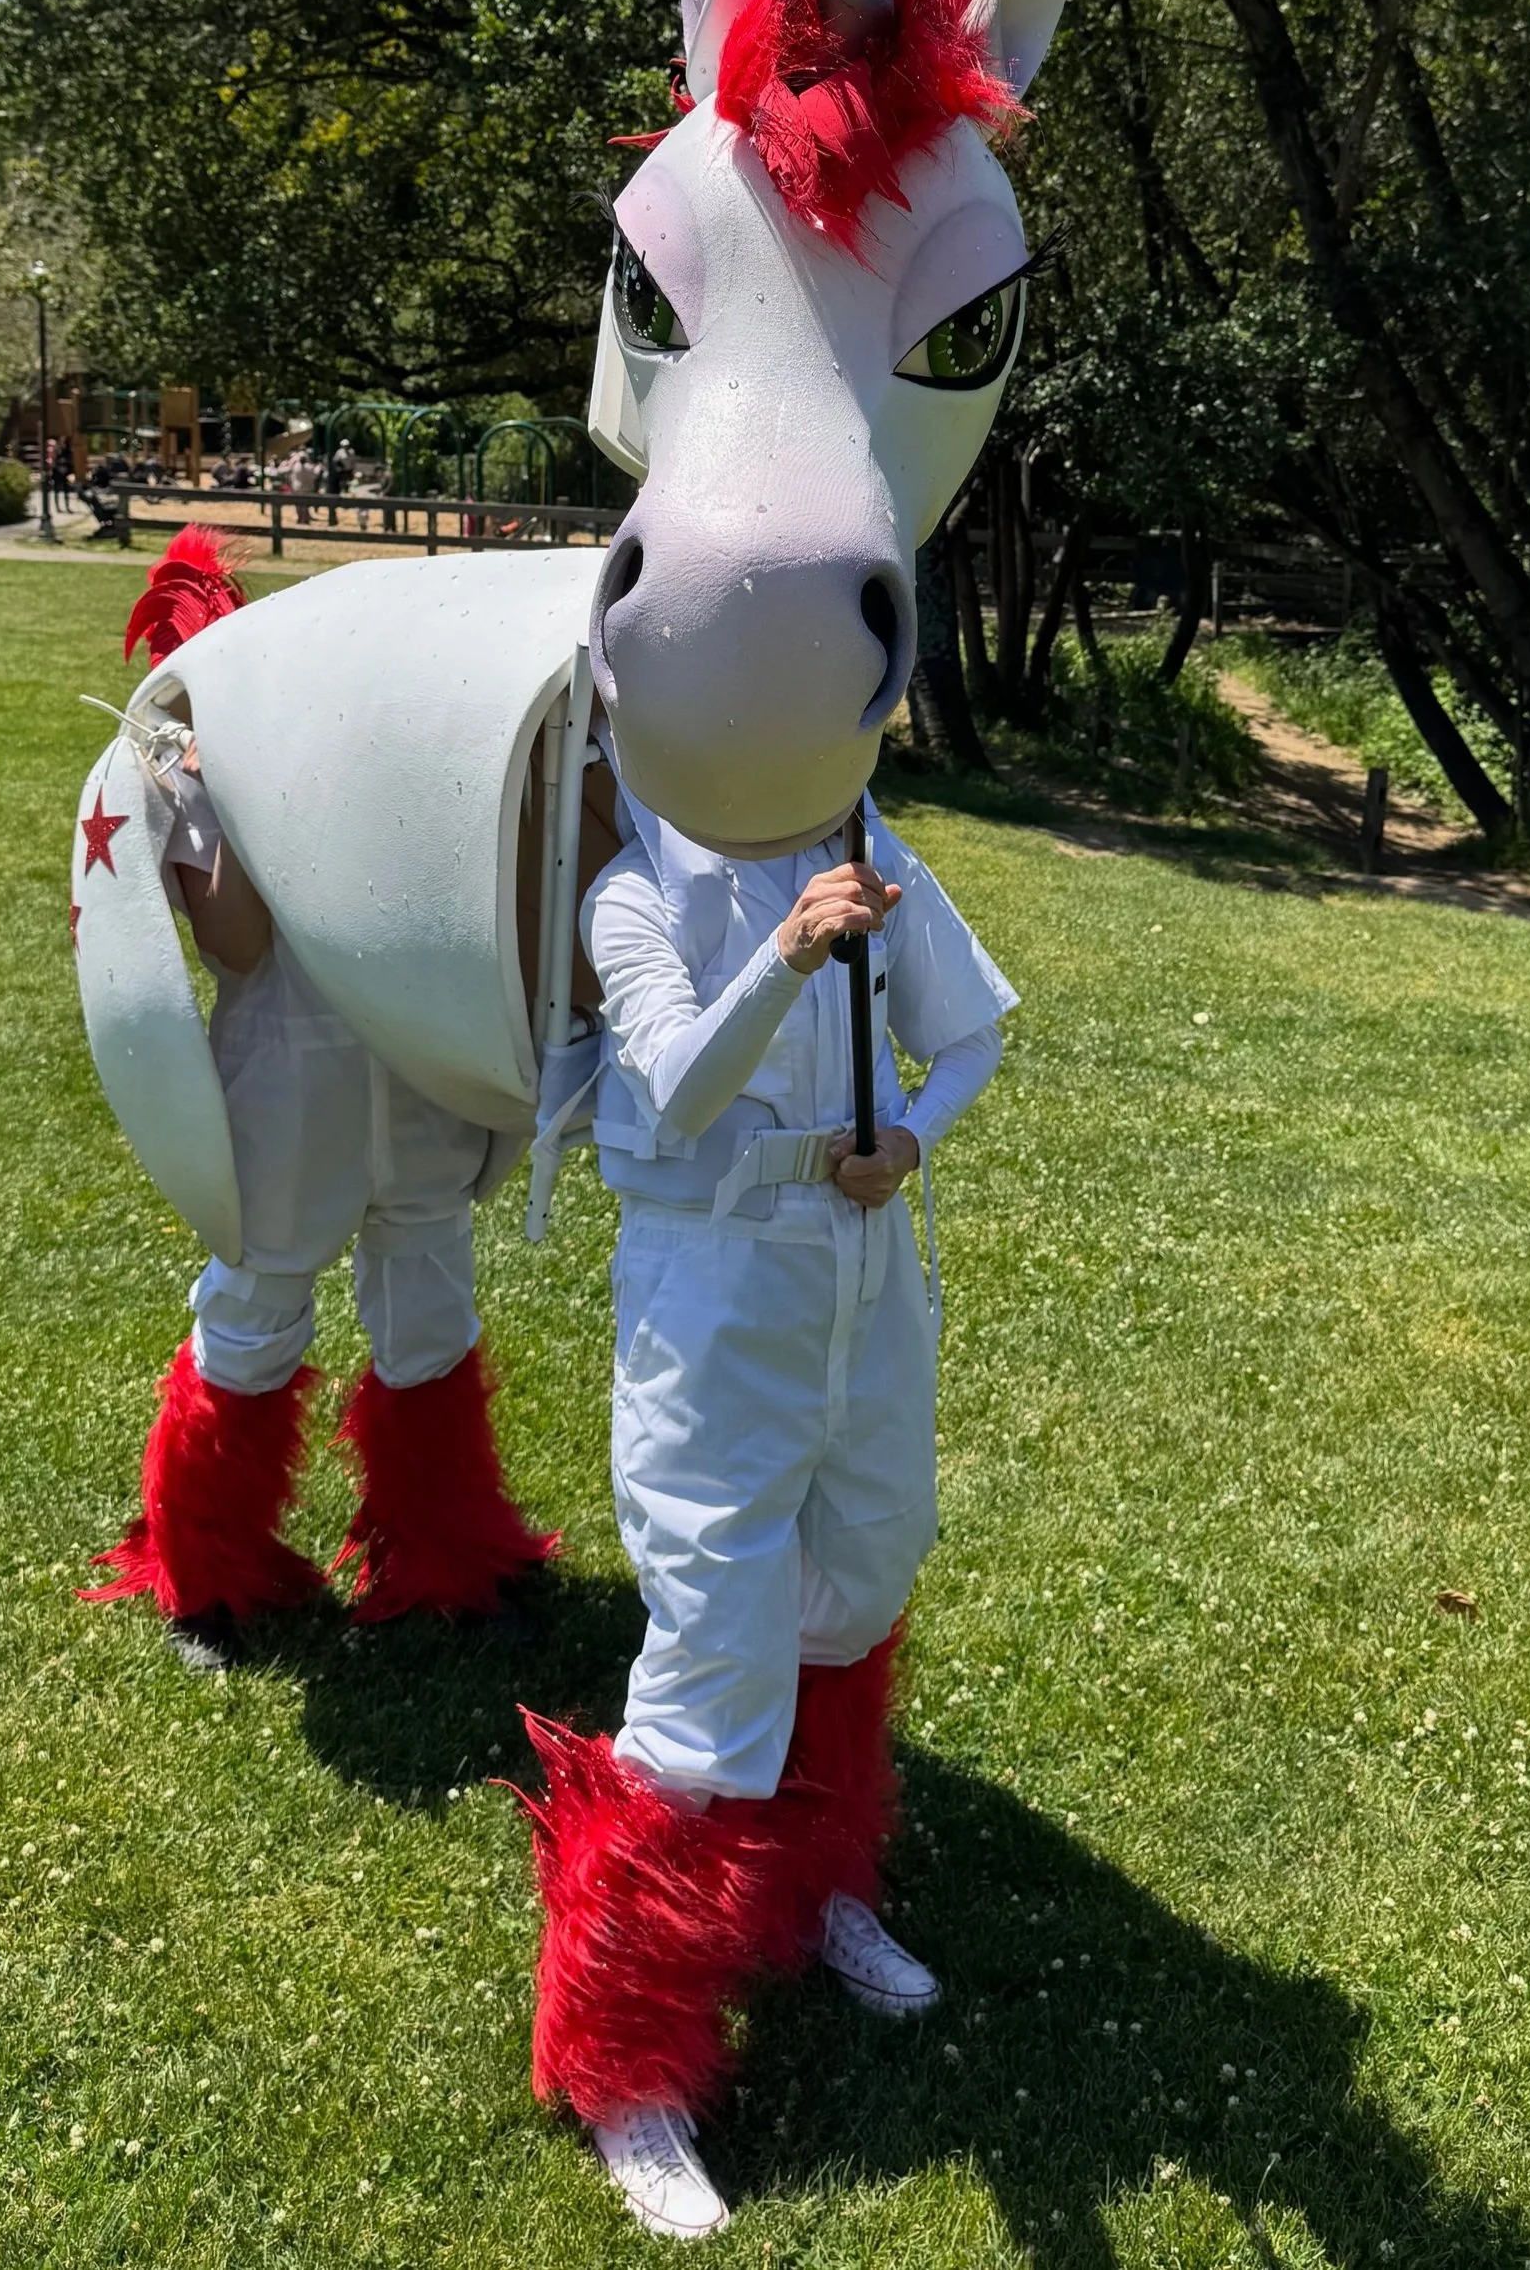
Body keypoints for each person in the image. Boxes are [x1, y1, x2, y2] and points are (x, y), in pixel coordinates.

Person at [514, 780, 1013, 2239]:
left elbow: (971, 1022)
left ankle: (809, 1886)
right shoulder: (631, 889)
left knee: (863, 1566)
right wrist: (790, 949)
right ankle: (625, 2058)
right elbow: (673, 1076)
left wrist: (913, 1133)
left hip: (863, 1257)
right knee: (716, 1624)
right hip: (712, 1277)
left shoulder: (860, 848)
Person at [84, 529, 557, 1658]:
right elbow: (239, 941)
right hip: (291, 1081)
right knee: (253, 1307)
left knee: (430, 1304)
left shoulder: (400, 747)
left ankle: (444, 1549)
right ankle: (207, 1566)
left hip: (417, 1064)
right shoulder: (207, 763)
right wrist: (209, 802)